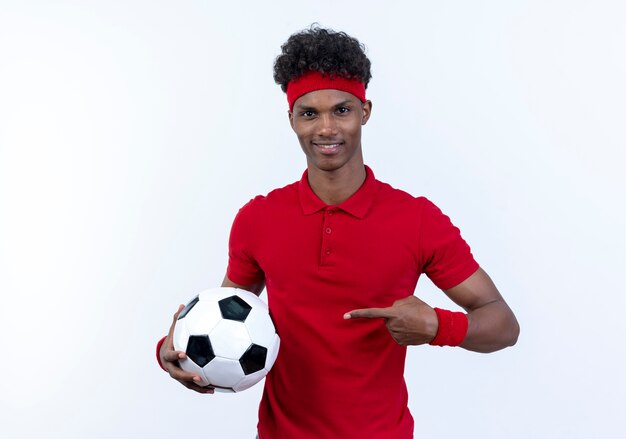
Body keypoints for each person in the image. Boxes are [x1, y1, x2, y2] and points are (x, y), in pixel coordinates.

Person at [157, 26, 520, 439]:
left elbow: (503, 324)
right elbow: (224, 319)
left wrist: (439, 326)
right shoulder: (258, 219)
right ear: (291, 118)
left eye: (341, 110)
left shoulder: (417, 220)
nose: (326, 128)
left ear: (365, 110)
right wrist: (172, 354)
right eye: (309, 112)